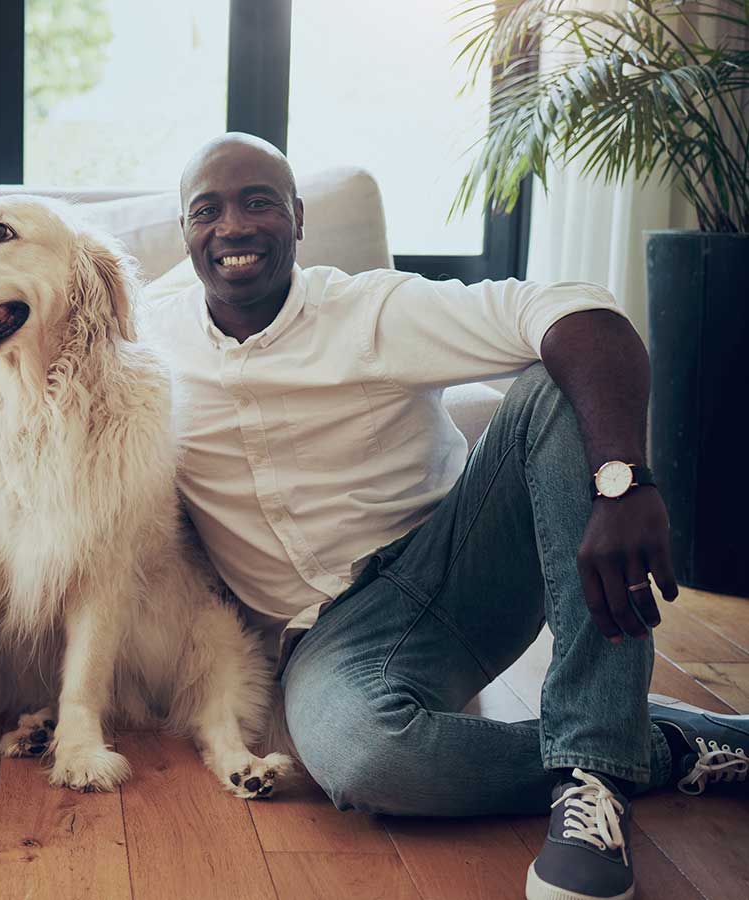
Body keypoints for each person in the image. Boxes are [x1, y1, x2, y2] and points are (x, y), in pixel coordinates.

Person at [146, 133, 749, 900]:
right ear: (186, 234)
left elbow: (574, 308)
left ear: (298, 218)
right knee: (365, 758)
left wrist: (622, 482)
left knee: (552, 378)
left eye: (258, 203)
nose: (233, 227)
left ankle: (594, 779)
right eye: (208, 211)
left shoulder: (373, 309)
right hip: (328, 638)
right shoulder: (149, 337)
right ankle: (656, 741)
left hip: (460, 565)